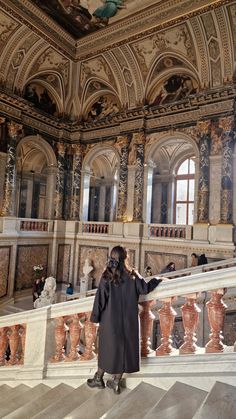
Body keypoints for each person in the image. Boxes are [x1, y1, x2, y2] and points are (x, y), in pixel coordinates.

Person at [87, 245, 164, 395]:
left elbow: (100, 300)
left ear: (111, 257)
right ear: (125, 258)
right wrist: (157, 279)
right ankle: (116, 383)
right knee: (123, 350)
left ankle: (99, 378)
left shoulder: (107, 276)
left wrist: (95, 318)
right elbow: (145, 289)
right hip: (129, 322)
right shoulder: (133, 275)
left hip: (110, 321)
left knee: (107, 349)